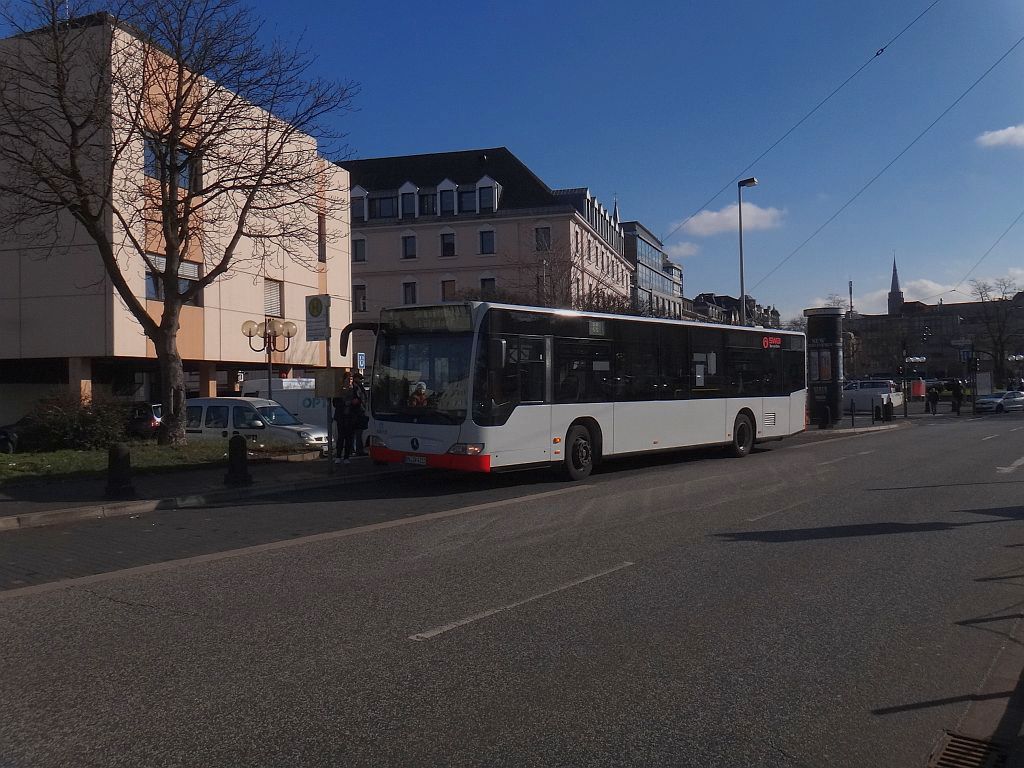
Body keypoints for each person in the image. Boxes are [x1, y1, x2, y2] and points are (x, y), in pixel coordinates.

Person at [332, 378, 362, 464]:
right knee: (341, 437)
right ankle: (338, 456)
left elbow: (360, 400)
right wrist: (344, 403)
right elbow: (335, 403)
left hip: (351, 417)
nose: (349, 382)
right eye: (347, 380)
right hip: (341, 417)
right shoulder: (339, 391)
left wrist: (356, 402)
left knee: (349, 438)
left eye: (350, 380)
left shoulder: (355, 390)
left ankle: (346, 457)